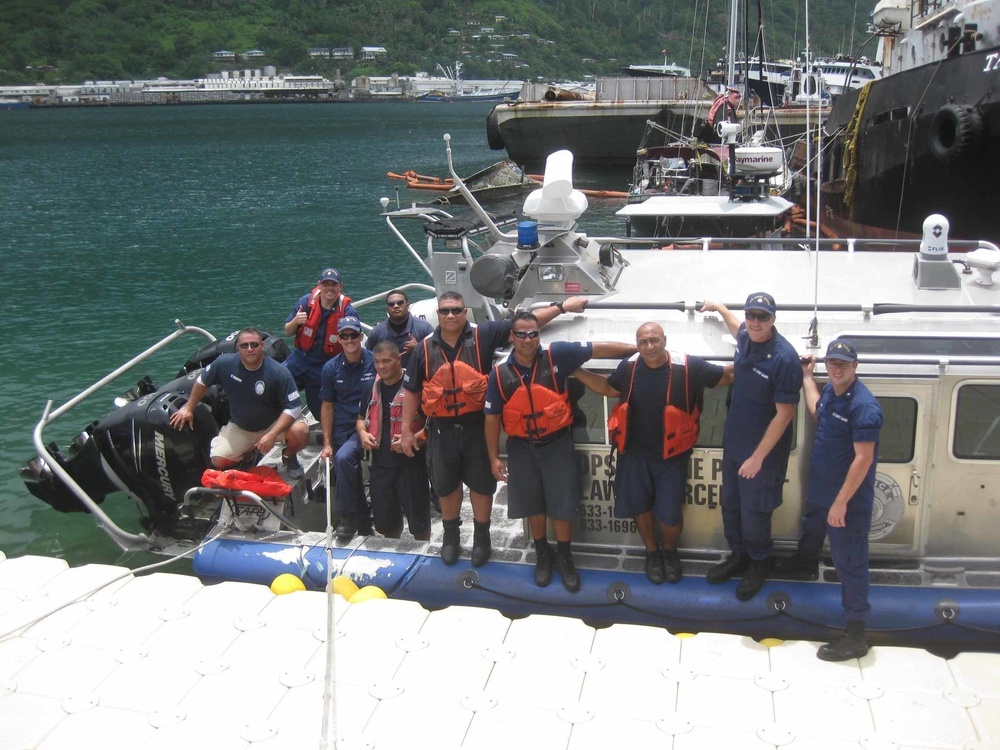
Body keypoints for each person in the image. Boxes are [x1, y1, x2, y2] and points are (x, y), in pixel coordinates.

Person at [399, 291, 589, 566]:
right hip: (441, 430)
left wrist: (562, 306)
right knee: (446, 486)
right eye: (444, 311)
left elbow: (527, 325)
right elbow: (412, 391)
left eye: (456, 309)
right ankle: (451, 537)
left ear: (465, 312)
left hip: (476, 425)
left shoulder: (483, 335)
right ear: (437, 314)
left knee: (481, 485)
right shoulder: (423, 349)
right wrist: (406, 430)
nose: (450, 315)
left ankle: (481, 538)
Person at [484, 312, 638, 592]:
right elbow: (492, 417)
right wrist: (494, 456)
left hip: (557, 443)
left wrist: (638, 349)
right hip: (521, 447)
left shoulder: (558, 356)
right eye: (521, 334)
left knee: (563, 503)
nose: (528, 339)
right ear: (512, 336)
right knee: (534, 503)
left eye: (533, 334)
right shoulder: (499, 374)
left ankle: (565, 555)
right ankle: (543, 553)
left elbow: (598, 348)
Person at [574, 322, 732, 585]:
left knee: (669, 514)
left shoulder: (688, 366)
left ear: (665, 340)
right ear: (637, 345)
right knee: (640, 507)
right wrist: (574, 369)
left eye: (654, 340)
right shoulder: (630, 367)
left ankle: (670, 552)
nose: (649, 347)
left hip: (672, 457)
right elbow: (608, 388)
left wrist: (763, 360)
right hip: (633, 454)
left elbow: (726, 376)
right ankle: (651, 552)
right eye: (643, 342)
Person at [699, 292, 803, 600]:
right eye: (752, 315)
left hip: (763, 455)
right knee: (731, 506)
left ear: (774, 319)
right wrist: (718, 306)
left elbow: (785, 414)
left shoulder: (784, 359)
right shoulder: (746, 336)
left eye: (763, 317)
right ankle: (738, 555)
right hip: (734, 445)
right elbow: (736, 327)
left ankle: (759, 563)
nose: (755, 322)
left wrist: (758, 458)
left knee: (755, 513)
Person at [787, 338, 883, 661]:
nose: (837, 368)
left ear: (855, 367)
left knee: (850, 564)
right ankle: (803, 564)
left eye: (843, 363)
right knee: (811, 530)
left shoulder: (864, 407)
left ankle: (856, 634)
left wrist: (841, 502)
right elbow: (817, 410)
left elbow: (863, 460)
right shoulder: (831, 389)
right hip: (823, 492)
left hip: (847, 502)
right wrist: (806, 377)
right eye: (832, 362)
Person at [169, 327, 309, 479]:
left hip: (274, 425)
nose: (250, 349)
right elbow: (202, 381)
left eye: (254, 345)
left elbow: (294, 407)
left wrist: (271, 434)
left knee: (301, 432)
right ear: (238, 347)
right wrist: (189, 407)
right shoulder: (224, 363)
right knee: (218, 458)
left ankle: (289, 457)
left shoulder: (278, 372)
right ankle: (249, 456)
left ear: (262, 346)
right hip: (242, 427)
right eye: (245, 345)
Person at [357, 341, 431, 540]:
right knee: (386, 523)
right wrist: (363, 435)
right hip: (381, 465)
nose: (382, 366)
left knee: (420, 523)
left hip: (412, 465)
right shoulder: (369, 386)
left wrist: (414, 439)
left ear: (399, 359)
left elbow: (434, 426)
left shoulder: (417, 386)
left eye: (387, 361)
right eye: (378, 362)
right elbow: (359, 419)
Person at [319, 316, 376, 540]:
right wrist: (326, 443)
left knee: (344, 459)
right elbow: (327, 406)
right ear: (339, 339)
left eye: (354, 335)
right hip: (342, 427)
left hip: (371, 424)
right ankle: (357, 519)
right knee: (344, 464)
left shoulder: (375, 362)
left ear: (361, 337)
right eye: (345, 335)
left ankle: (351, 517)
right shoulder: (330, 369)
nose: (350, 339)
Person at [284, 268, 360, 420]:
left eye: (334, 284)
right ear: (319, 285)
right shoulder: (305, 302)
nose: (329, 288)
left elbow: (354, 343)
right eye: (326, 284)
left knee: (320, 413)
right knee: (277, 382)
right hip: (299, 358)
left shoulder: (347, 311)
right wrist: (296, 321)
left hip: (325, 364)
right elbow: (287, 331)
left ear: (340, 287)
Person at [365, 289, 434, 367]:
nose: (396, 306)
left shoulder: (424, 328)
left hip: (418, 376)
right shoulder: (377, 331)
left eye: (400, 303)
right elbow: (367, 355)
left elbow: (437, 355)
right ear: (387, 309)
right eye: (391, 304)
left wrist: (419, 348)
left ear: (407, 306)